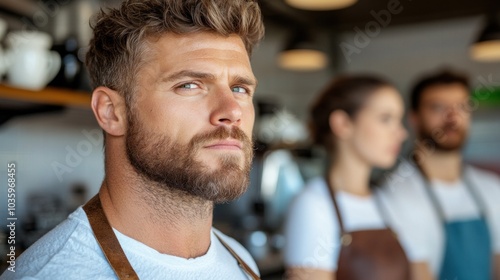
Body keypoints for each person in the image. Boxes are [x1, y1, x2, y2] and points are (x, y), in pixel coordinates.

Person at [0, 0, 264, 279]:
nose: (232, 111)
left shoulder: (239, 260)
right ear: (111, 112)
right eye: (189, 85)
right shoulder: (54, 274)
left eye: (239, 88)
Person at [284, 75, 409, 280]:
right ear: (342, 124)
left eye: (399, 120)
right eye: (386, 119)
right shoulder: (313, 205)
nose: (401, 133)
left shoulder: (385, 202)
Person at [380, 69, 500, 280]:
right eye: (438, 108)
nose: (452, 117)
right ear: (414, 118)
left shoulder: (491, 188)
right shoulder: (396, 193)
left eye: (461, 107)